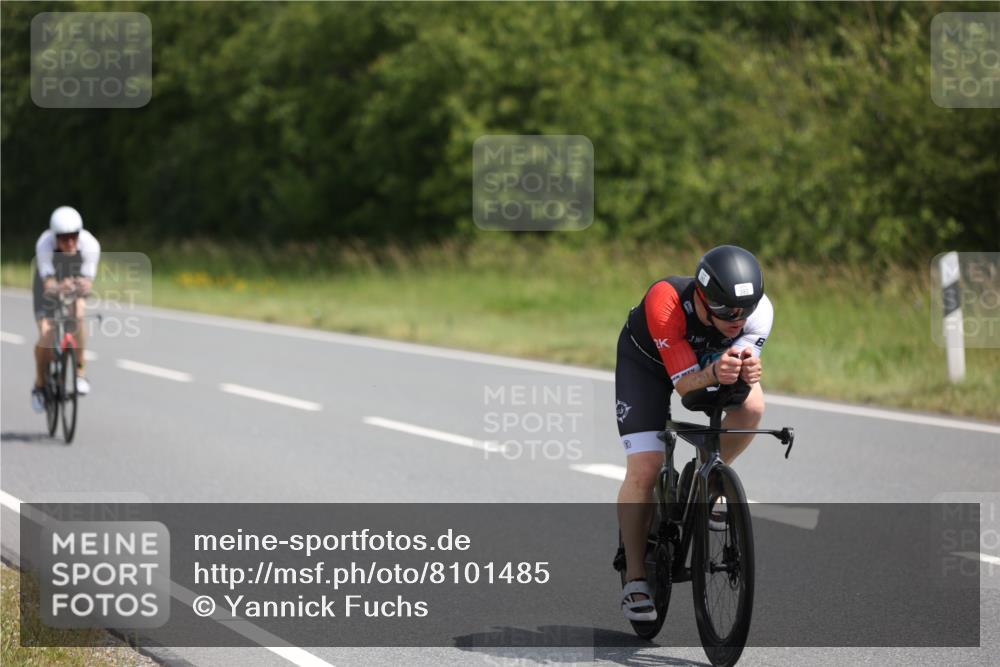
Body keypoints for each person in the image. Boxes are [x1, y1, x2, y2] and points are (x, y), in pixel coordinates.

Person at [615, 244, 772, 621]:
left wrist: (745, 371)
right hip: (648, 365)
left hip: (705, 360)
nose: (737, 320)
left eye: (744, 312)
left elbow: (738, 371)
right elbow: (687, 389)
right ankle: (635, 576)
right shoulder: (665, 301)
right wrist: (718, 372)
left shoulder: (759, 311)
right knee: (646, 467)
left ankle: (710, 478)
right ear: (702, 299)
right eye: (725, 312)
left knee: (752, 406)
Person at [31, 206, 100, 411]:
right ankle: (40, 385)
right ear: (55, 236)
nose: (70, 242)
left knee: (78, 314)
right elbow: (48, 284)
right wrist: (59, 286)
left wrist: (81, 285)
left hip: (74, 283)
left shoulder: (90, 244)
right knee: (46, 335)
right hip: (48, 287)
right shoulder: (45, 244)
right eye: (64, 238)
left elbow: (88, 283)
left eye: (74, 236)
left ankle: (80, 371)